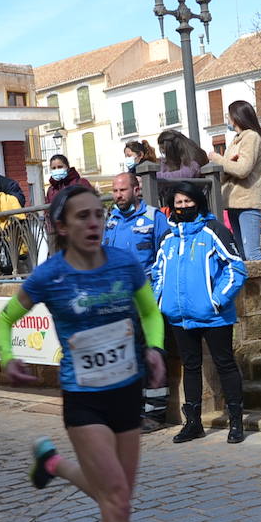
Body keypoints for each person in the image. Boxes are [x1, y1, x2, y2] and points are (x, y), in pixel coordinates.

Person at [0, 184, 171, 522]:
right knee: (117, 502)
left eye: (99, 214)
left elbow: (150, 313)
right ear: (62, 226)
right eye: (82, 217)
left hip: (127, 392)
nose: (94, 223)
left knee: (118, 498)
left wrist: (155, 349)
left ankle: (52, 465)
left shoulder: (124, 263)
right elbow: (4, 320)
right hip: (84, 400)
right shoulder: (49, 276)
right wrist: (8, 357)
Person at [150, 182, 249, 444]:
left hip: (214, 315)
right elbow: (157, 271)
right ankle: (193, 423)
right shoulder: (168, 238)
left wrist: (217, 300)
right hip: (180, 316)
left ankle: (236, 422)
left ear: (198, 202)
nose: (183, 207)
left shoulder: (214, 230)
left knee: (225, 364)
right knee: (190, 367)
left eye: (188, 201)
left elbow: (236, 268)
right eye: (178, 203)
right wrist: (161, 299)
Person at [105, 172, 170, 432]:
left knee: (152, 355)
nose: (118, 195)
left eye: (122, 190)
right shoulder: (110, 220)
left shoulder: (155, 218)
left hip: (146, 300)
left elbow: (165, 258)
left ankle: (155, 414)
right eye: (115, 191)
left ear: (136, 190)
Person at [211, 100, 261, 315]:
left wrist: (218, 159)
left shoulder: (251, 137)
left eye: (228, 115)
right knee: (243, 253)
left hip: (248, 201)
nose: (227, 119)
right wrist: (227, 163)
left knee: (252, 253)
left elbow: (242, 169)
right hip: (234, 201)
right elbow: (228, 172)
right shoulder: (237, 140)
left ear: (236, 116)